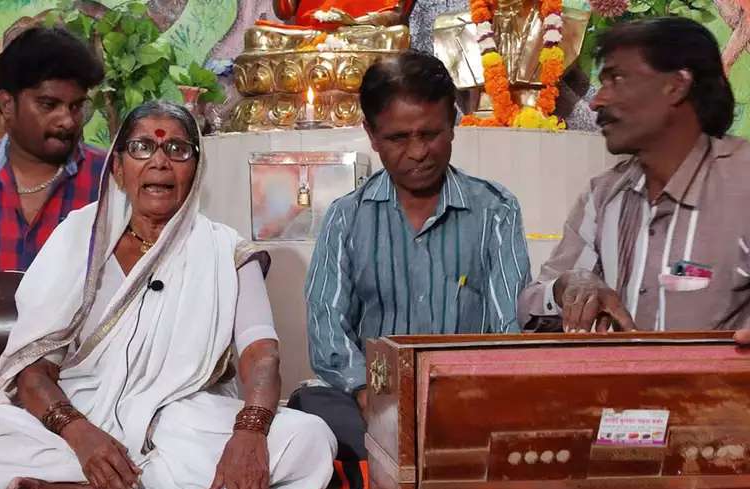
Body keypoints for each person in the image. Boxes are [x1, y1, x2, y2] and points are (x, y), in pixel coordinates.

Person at [0, 101, 337, 489]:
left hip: (178, 420)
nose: (159, 162)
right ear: (117, 168)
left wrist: (251, 432)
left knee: (309, 443)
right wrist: (81, 436)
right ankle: (114, 479)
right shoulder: (78, 238)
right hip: (76, 418)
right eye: (141, 148)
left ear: (196, 169)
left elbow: (261, 353)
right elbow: (32, 371)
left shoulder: (224, 250)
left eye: (177, 150)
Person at [290, 51, 531, 460]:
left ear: (452, 124)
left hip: (465, 400)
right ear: (371, 134)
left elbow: (506, 327)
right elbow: (327, 328)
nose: (418, 152)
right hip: (368, 404)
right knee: (311, 413)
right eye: (398, 138)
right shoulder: (347, 217)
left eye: (430, 134)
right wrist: (369, 395)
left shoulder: (495, 209)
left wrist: (467, 398)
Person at [518, 17, 750, 333]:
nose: (598, 100)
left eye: (617, 79)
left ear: (676, 85)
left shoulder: (742, 182)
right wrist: (567, 286)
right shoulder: (603, 196)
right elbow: (530, 306)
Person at [0, 26, 106, 273]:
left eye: (76, 106)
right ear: (7, 104)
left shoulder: (110, 179)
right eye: (49, 104)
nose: (67, 120)